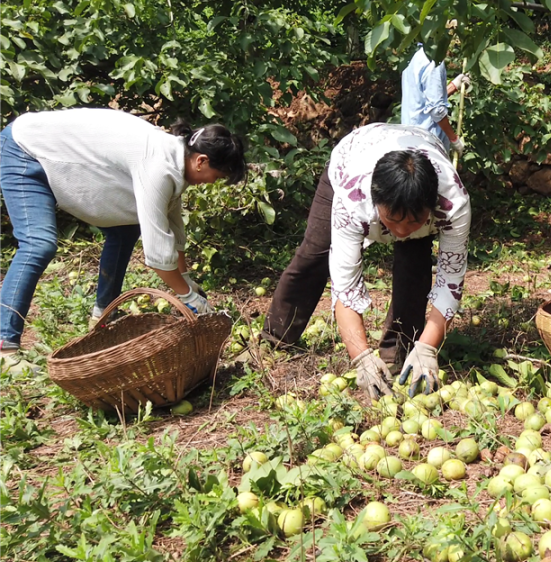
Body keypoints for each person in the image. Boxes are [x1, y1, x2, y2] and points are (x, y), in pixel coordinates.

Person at [0, 108, 246, 357]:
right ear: (201, 160)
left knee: (125, 228)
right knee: (38, 243)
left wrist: (184, 276)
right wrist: (189, 297)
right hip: (25, 149)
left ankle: (102, 318)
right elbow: (157, 257)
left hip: (55, 152)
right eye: (217, 176)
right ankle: (5, 346)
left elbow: (172, 222)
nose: (213, 182)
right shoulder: (159, 165)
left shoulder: (175, 155)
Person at [264, 123, 470, 399]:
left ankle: (401, 354)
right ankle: (274, 340)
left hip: (421, 156)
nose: (401, 231)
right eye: (393, 220)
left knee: (414, 267)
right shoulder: (353, 199)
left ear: (431, 206)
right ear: (376, 202)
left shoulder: (452, 203)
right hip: (353, 154)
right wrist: (360, 356)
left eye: (415, 221)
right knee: (314, 254)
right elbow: (345, 285)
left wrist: (429, 347)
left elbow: (451, 281)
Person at [400, 44, 469, 156]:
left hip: (411, 140)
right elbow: (436, 110)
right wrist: (454, 139)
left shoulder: (417, 57)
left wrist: (453, 86)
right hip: (427, 145)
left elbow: (426, 98)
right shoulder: (433, 62)